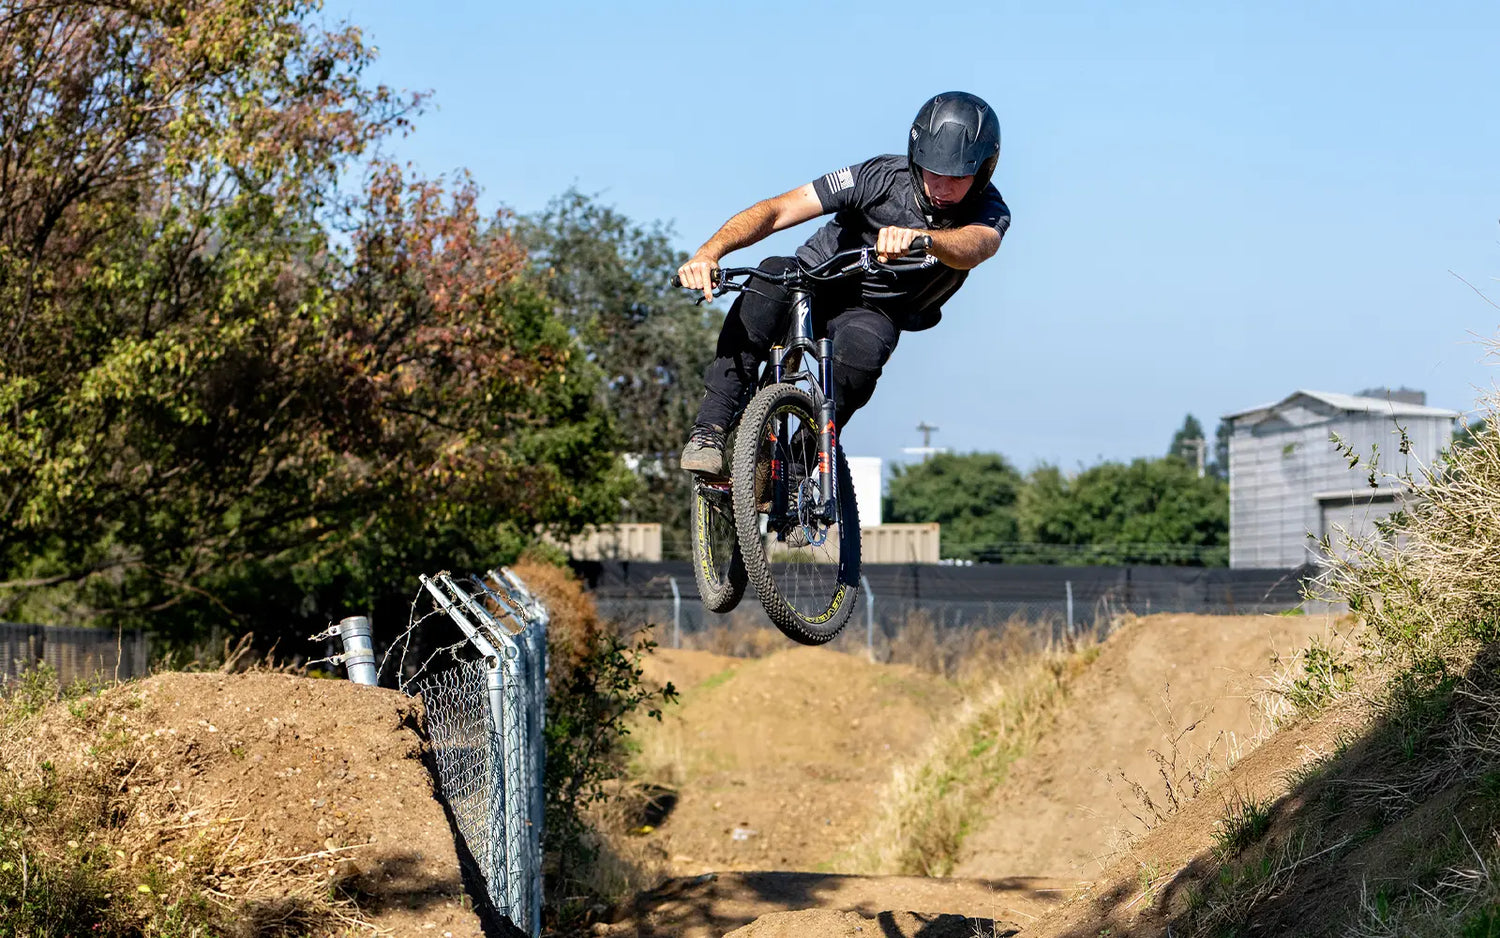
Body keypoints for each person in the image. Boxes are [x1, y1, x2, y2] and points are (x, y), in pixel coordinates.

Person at [677, 91, 1012, 476]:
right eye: (933, 172)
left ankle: (801, 465)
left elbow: (978, 246)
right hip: (815, 279)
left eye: (958, 178)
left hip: (876, 310)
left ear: (984, 170)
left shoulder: (989, 210)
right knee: (768, 277)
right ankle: (709, 429)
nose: (942, 187)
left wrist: (925, 239)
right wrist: (709, 252)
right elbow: (779, 209)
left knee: (863, 356)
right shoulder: (878, 177)